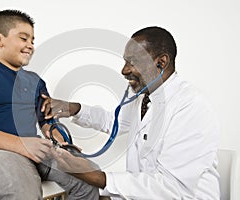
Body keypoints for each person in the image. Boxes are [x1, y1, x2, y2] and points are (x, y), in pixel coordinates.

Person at [41, 26, 220, 199]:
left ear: (161, 62)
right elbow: (114, 122)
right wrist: (73, 108)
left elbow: (173, 188)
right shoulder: (144, 98)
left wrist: (95, 176)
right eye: (125, 61)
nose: (124, 70)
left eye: (133, 61)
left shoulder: (189, 106)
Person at [0, 9, 98, 200]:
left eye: (32, 41)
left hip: (34, 149)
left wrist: (61, 141)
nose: (30, 45)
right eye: (23, 38)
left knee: (90, 179)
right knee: (21, 190)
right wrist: (21, 145)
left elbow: (47, 124)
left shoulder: (35, 82)